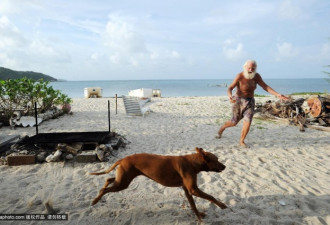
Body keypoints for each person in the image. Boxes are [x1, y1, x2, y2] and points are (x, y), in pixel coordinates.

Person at [217, 60, 289, 147]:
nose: (251, 70)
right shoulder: (239, 76)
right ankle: (222, 128)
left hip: (250, 102)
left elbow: (265, 86)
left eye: (253, 68)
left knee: (247, 122)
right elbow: (230, 87)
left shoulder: (256, 76)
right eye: (249, 68)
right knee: (234, 122)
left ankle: (242, 141)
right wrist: (230, 96)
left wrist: (278, 94)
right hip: (238, 101)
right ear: (245, 67)